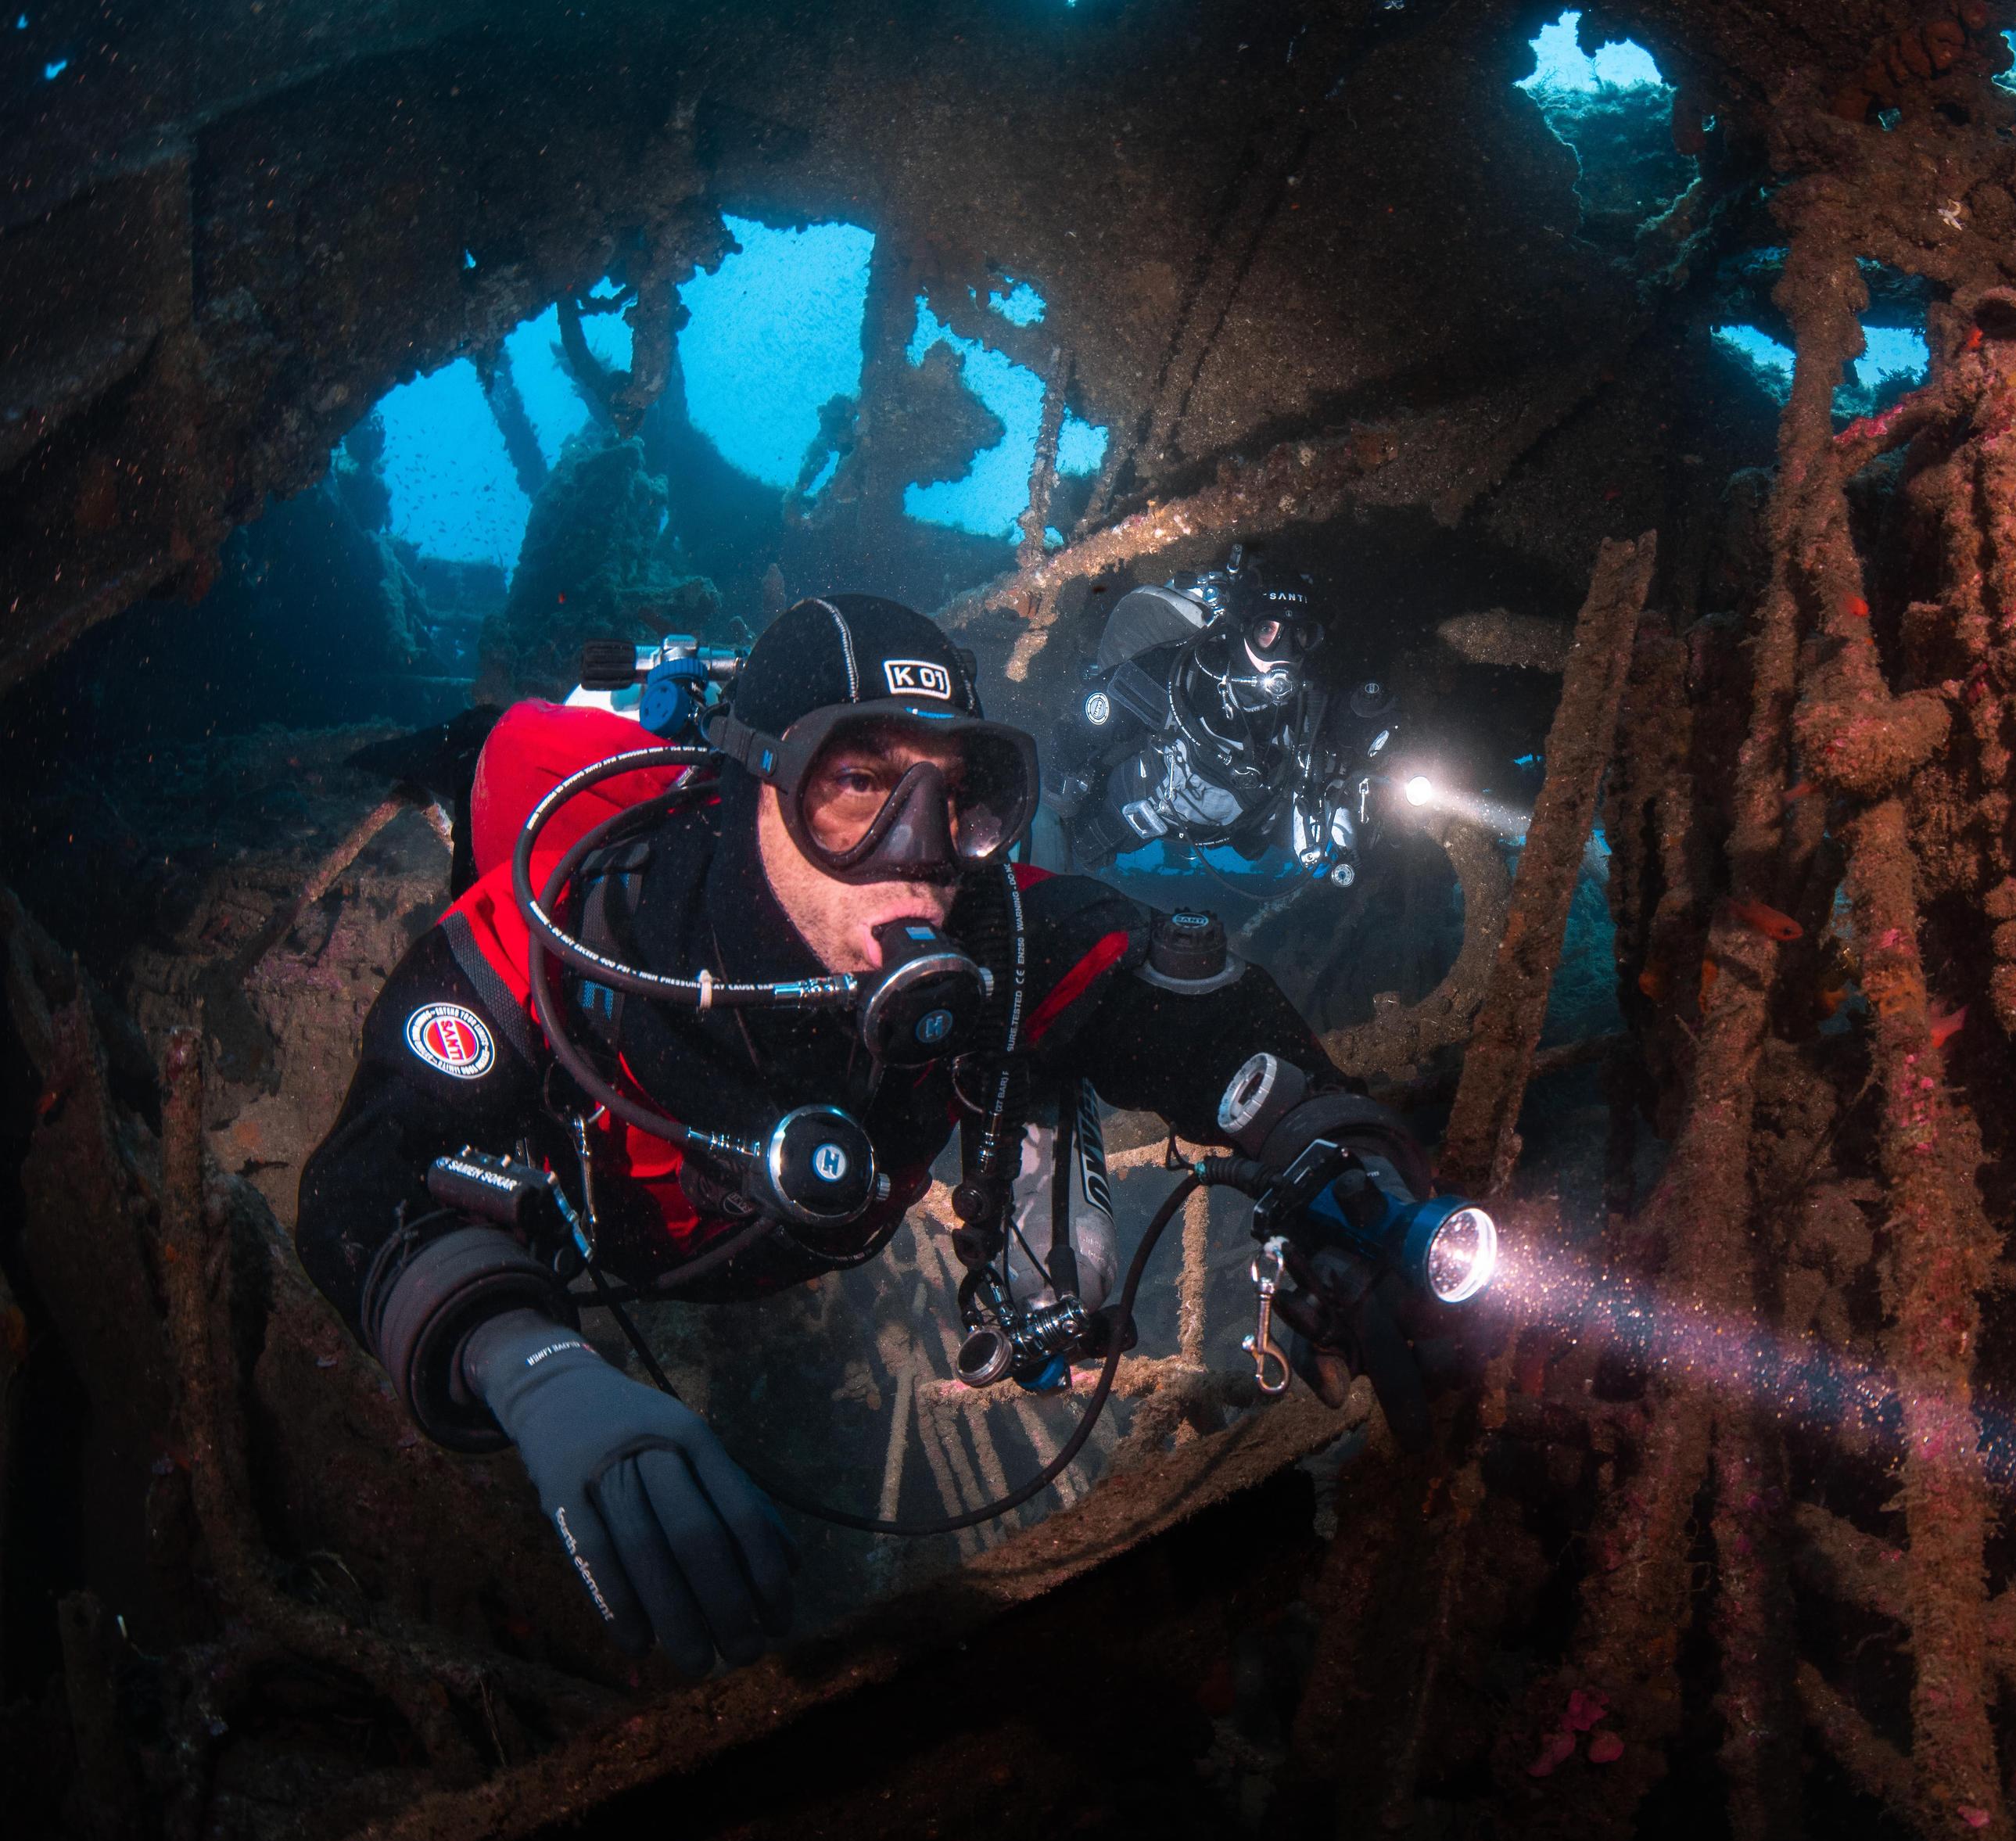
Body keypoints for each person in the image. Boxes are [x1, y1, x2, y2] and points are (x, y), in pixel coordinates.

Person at [296, 594, 1373, 1678]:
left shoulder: (987, 926)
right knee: (502, 752)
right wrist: (525, 1363)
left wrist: (1347, 1162)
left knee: (1052, 1017)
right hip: (582, 1014)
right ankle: (449, 746)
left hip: (752, 1223)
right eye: (858, 786)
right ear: (753, 781)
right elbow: (362, 1179)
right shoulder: (578, 922)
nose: (918, 857)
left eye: (956, 796)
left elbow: (1189, 1004)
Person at [1042, 551, 1397, 881]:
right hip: (1134, 817)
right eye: (1267, 631)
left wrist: (1344, 811)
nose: (1285, 653)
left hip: (1235, 827)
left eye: (1300, 635)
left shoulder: (1312, 703)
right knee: (1085, 852)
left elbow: (1346, 761)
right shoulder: (1178, 677)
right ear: (1242, 629)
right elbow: (1077, 734)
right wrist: (1061, 803)